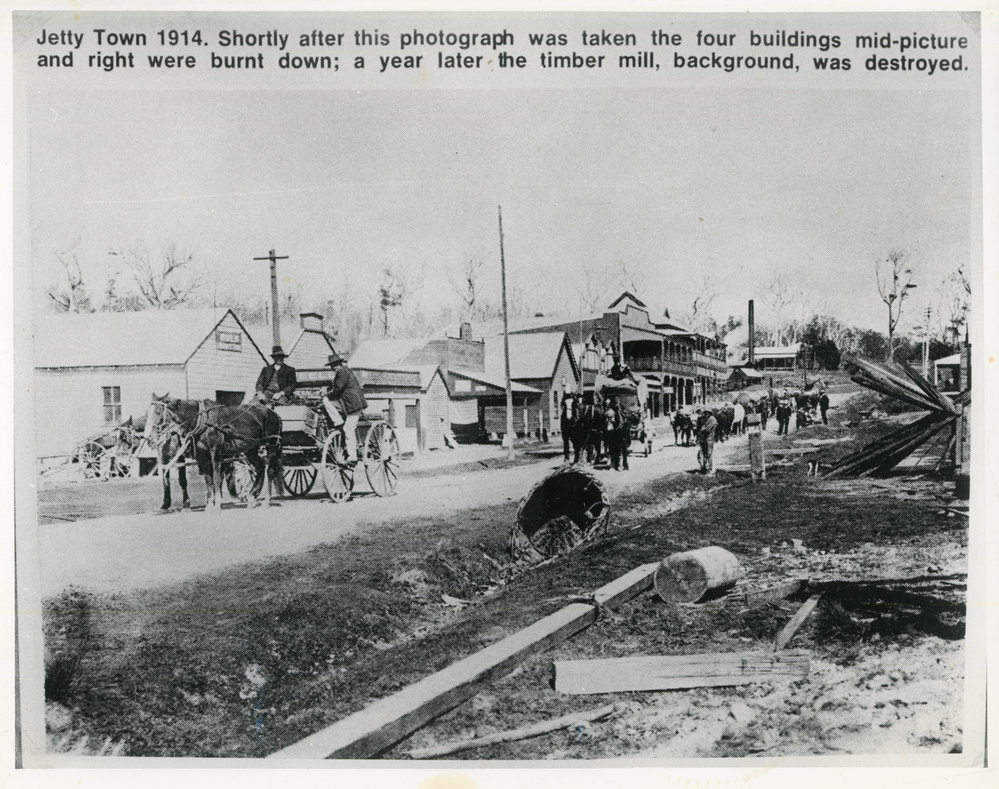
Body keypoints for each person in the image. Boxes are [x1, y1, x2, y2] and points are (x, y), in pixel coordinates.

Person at [323, 352, 368, 464]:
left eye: (333, 365)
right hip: (348, 404)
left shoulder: (342, 372)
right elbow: (336, 386)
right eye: (332, 366)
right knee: (327, 401)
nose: (333, 368)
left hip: (353, 405)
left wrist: (325, 393)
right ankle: (338, 421)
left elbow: (338, 389)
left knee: (348, 430)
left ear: (337, 364)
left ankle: (352, 457)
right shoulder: (343, 372)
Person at [697, 408, 718, 475]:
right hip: (706, 439)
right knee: (703, 454)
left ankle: (711, 470)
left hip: (709, 439)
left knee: (709, 455)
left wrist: (702, 429)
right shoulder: (708, 419)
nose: (705, 414)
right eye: (705, 413)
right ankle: (705, 469)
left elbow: (706, 430)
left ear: (709, 413)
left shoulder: (712, 419)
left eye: (706, 413)